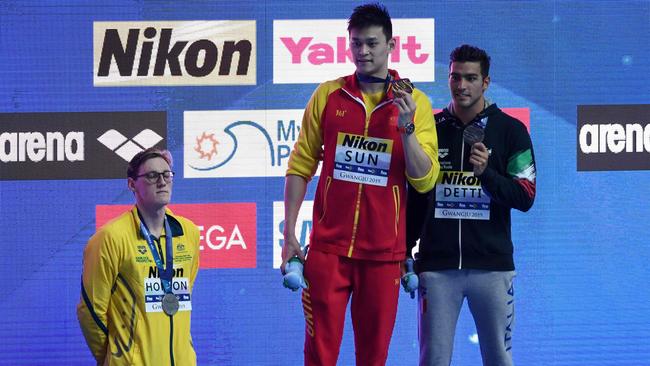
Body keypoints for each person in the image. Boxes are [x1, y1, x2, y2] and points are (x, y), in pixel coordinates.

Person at [281, 3, 440, 365]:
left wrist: (406, 126)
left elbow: (425, 177)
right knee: (318, 356)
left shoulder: (416, 103)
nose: (363, 52)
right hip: (327, 252)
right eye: (356, 44)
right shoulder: (328, 95)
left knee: (373, 358)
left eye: (371, 43)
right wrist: (290, 233)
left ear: (391, 45)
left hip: (383, 257)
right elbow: (300, 164)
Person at [407, 44, 536, 366]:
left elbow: (525, 196)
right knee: (433, 360)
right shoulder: (430, 130)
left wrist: (487, 174)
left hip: (492, 268)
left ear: (486, 82)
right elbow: (415, 197)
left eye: (470, 78)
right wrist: (404, 249)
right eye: (455, 77)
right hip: (437, 268)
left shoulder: (512, 131)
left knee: (499, 360)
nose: (461, 85)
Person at [77, 148, 200, 365]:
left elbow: (184, 294)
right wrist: (114, 357)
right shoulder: (110, 238)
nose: (162, 181)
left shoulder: (188, 233)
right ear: (132, 184)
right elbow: (91, 311)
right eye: (152, 176)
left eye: (167, 174)